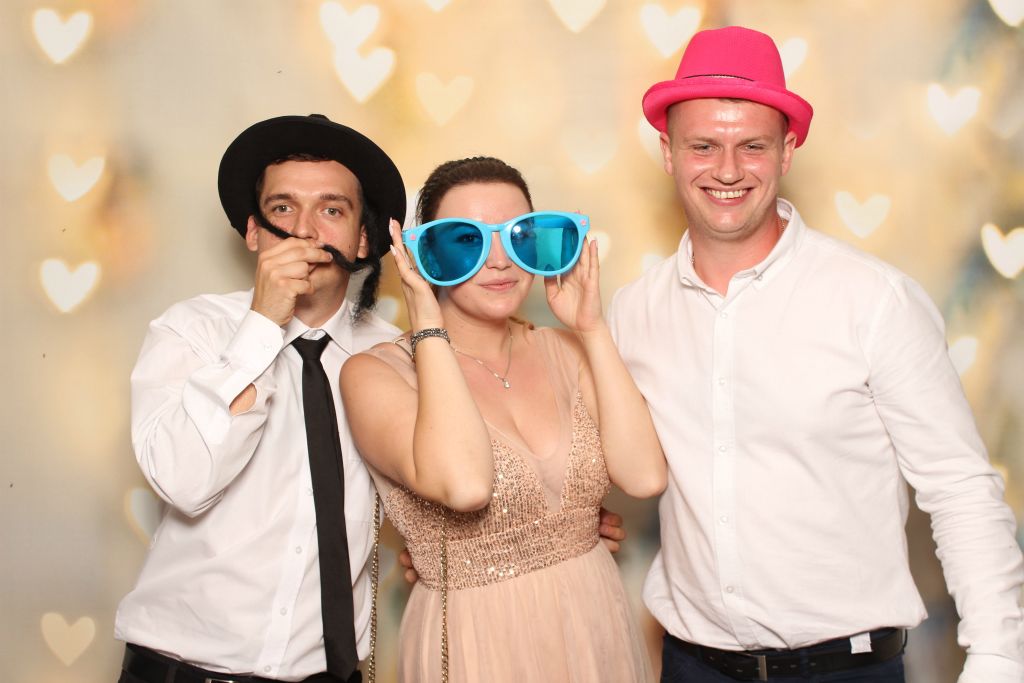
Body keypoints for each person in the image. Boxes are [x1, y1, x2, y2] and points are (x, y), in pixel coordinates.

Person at [608, 26, 1024, 683]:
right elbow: (604, 451)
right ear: (668, 151)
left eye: (752, 146)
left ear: (788, 150)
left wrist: (998, 653)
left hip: (845, 669)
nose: (726, 169)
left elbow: (959, 485)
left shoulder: (876, 301)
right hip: (692, 666)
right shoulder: (633, 312)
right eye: (703, 145)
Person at [340, 156, 666, 682]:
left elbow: (645, 476)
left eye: (518, 236)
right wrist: (428, 325)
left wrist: (592, 329)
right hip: (476, 642)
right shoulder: (375, 374)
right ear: (424, 255)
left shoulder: (567, 348)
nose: (500, 261)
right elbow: (466, 486)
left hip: (593, 623)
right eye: (466, 240)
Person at [115, 114, 407, 683]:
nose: (304, 232)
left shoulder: (395, 356)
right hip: (181, 671)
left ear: (362, 240)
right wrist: (262, 326)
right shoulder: (191, 331)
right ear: (253, 232)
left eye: (331, 210)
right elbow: (185, 482)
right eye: (282, 208)